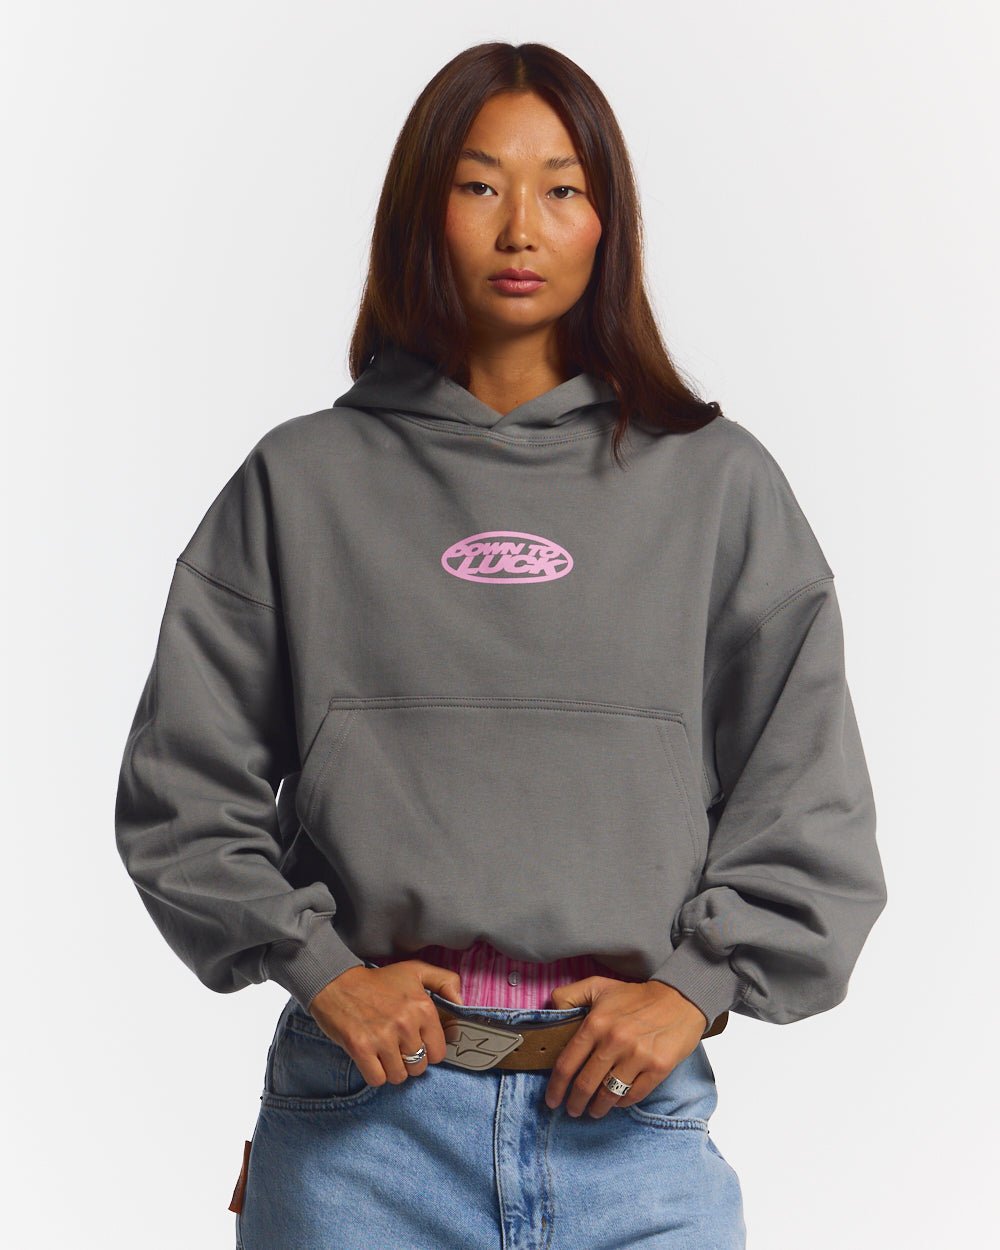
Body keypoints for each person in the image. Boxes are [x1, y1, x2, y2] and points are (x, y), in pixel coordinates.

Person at [115, 41, 888, 1250]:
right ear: (420, 212)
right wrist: (322, 969)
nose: (520, 226)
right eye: (479, 184)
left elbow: (809, 799)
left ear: (606, 222)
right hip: (363, 1134)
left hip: (632, 1129)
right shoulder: (300, 481)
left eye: (561, 188)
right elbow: (181, 792)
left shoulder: (719, 486)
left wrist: (692, 990)